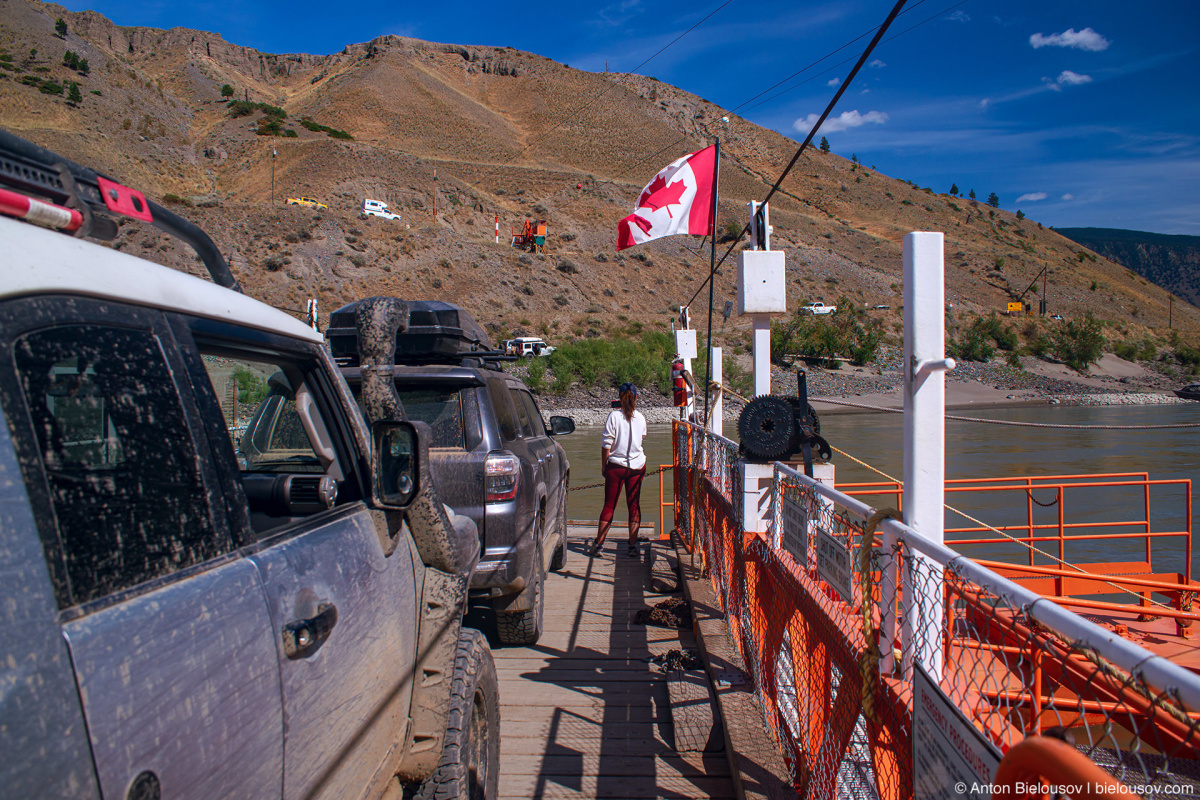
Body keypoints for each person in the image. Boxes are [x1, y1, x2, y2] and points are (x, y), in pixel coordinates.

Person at [590, 382, 647, 557]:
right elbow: (641, 438)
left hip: (615, 467)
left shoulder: (614, 416)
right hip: (637, 467)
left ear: (619, 398)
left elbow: (606, 443)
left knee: (609, 505)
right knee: (634, 505)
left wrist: (604, 465)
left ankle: (599, 545)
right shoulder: (641, 418)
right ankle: (632, 546)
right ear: (636, 398)